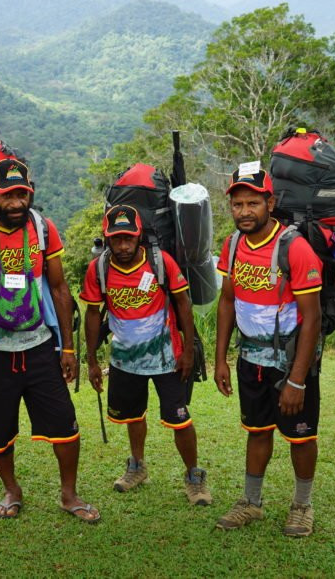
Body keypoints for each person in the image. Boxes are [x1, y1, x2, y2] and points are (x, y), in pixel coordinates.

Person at [0, 158, 99, 523]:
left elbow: (60, 289)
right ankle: (12, 489)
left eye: (22, 194)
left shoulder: (43, 229)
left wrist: (68, 348)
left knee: (65, 425)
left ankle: (69, 494)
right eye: (8, 195)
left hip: (40, 347)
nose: (16, 203)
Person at [213, 167, 323, 537]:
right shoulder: (232, 246)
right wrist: (221, 359)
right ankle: (251, 502)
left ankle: (302, 506)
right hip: (251, 360)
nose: (245, 211)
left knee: (301, 436)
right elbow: (227, 301)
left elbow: (312, 318)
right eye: (238, 204)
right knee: (256, 430)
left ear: (270, 203)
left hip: (291, 363)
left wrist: (297, 380)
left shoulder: (295, 248)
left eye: (253, 203)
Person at [80, 204, 210, 504]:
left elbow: (183, 305)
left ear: (139, 236)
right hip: (124, 361)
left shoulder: (160, 262)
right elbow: (91, 314)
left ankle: (194, 475)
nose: (123, 246)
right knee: (132, 415)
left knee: (180, 420)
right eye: (116, 239)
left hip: (168, 359)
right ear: (107, 238)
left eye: (128, 238)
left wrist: (188, 351)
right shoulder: (98, 269)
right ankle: (137, 466)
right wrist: (91, 360)